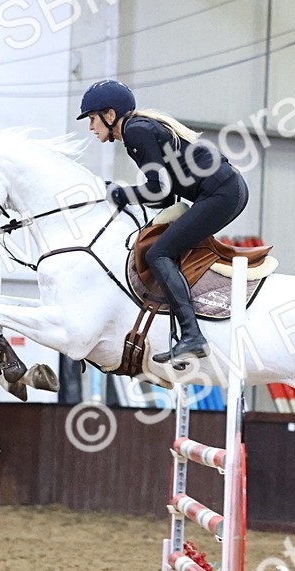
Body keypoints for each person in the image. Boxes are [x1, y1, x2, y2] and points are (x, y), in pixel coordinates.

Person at [78, 79, 249, 366]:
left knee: (158, 252)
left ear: (110, 115)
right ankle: (180, 334)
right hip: (225, 190)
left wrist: (118, 193)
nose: (90, 127)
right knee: (163, 247)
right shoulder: (139, 129)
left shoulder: (135, 132)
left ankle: (193, 336)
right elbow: (165, 195)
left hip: (221, 192)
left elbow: (157, 190)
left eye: (93, 119)